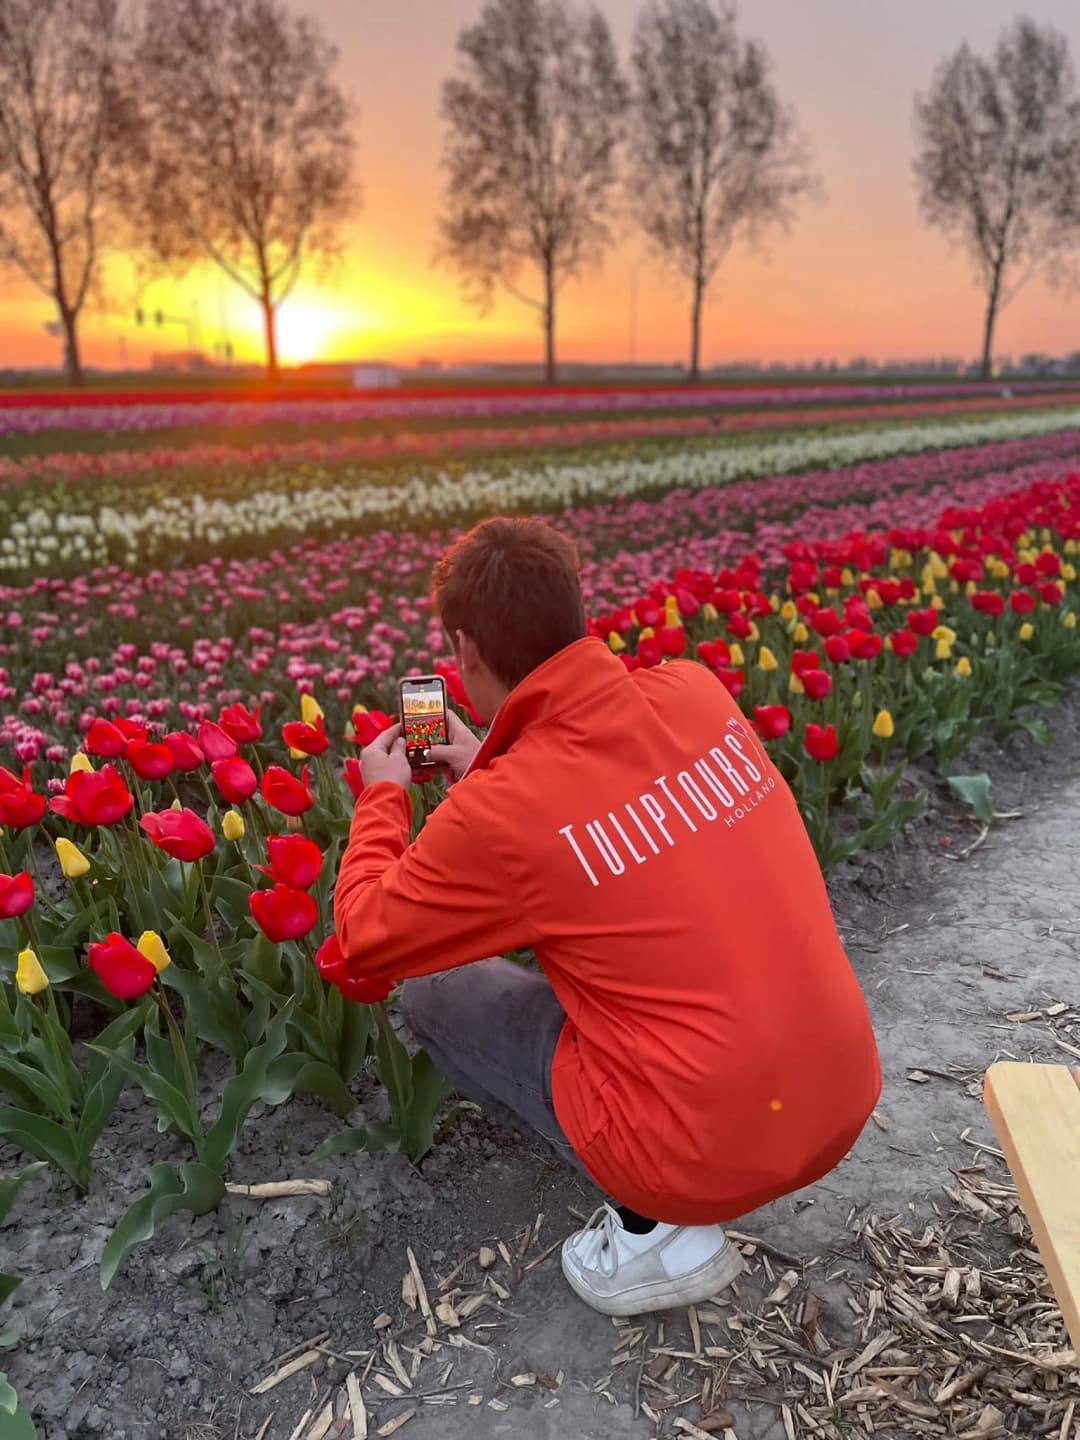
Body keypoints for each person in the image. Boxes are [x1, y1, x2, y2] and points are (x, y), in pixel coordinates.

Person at [328, 517, 881, 1317]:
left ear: (466, 651)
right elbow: (596, 808)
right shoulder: (694, 690)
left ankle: (652, 1230)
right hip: (838, 1094)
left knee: (436, 992)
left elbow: (368, 939)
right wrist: (485, 762)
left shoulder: (505, 812)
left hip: (700, 1152)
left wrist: (383, 796)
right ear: (575, 613)